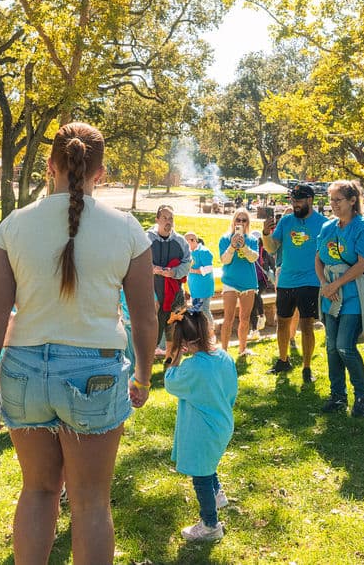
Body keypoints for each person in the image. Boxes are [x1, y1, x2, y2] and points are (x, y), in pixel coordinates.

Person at [0, 122, 158, 564]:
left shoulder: (13, 227)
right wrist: (144, 375)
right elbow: (145, 316)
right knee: (91, 501)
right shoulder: (128, 229)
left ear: (51, 165)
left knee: (37, 490)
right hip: (94, 367)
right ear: (101, 172)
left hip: (23, 369)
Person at [164, 308, 238, 542]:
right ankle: (217, 495)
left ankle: (210, 525)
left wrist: (173, 356)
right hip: (222, 423)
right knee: (208, 463)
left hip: (202, 431)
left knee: (201, 475)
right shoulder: (224, 356)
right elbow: (232, 391)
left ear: (183, 343)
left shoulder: (192, 368)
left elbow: (170, 382)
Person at [315, 180, 364, 415]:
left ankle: (362, 396)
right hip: (330, 295)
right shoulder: (328, 227)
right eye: (331, 200)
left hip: (354, 295)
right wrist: (325, 284)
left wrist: (336, 284)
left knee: (345, 346)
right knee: (332, 347)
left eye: (338, 200)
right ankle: (338, 395)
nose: (333, 205)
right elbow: (319, 258)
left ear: (353, 201)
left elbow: (362, 263)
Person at [261, 184, 329, 382]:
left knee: (306, 324)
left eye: (299, 200)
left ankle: (307, 368)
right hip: (286, 280)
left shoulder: (323, 224)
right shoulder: (286, 221)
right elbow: (273, 248)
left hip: (310, 280)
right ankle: (283, 361)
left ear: (310, 200)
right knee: (282, 322)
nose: (295, 204)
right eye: (292, 200)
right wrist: (266, 234)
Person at [148, 204, 191, 357]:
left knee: (174, 338)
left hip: (175, 297)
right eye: (164, 218)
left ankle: (171, 374)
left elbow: (187, 263)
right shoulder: (146, 239)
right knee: (149, 340)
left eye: (171, 218)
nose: (168, 221)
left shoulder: (181, 242)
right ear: (157, 220)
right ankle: (143, 377)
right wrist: (152, 268)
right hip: (153, 297)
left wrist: (174, 272)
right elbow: (136, 261)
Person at [218, 209, 260, 357]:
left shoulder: (252, 240)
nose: (240, 223)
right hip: (230, 281)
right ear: (233, 221)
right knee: (228, 318)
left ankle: (242, 349)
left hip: (248, 283)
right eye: (238, 220)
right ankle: (223, 351)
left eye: (244, 220)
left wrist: (243, 247)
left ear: (247, 223)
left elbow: (254, 258)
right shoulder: (224, 239)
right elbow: (224, 260)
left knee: (245, 318)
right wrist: (232, 246)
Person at [184, 232, 215, 332]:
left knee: (204, 310)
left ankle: (210, 331)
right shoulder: (189, 252)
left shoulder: (204, 251)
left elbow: (209, 268)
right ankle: (201, 333)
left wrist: (192, 270)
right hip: (195, 289)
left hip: (204, 288)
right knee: (197, 311)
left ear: (193, 240)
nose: (184, 244)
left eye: (186, 242)